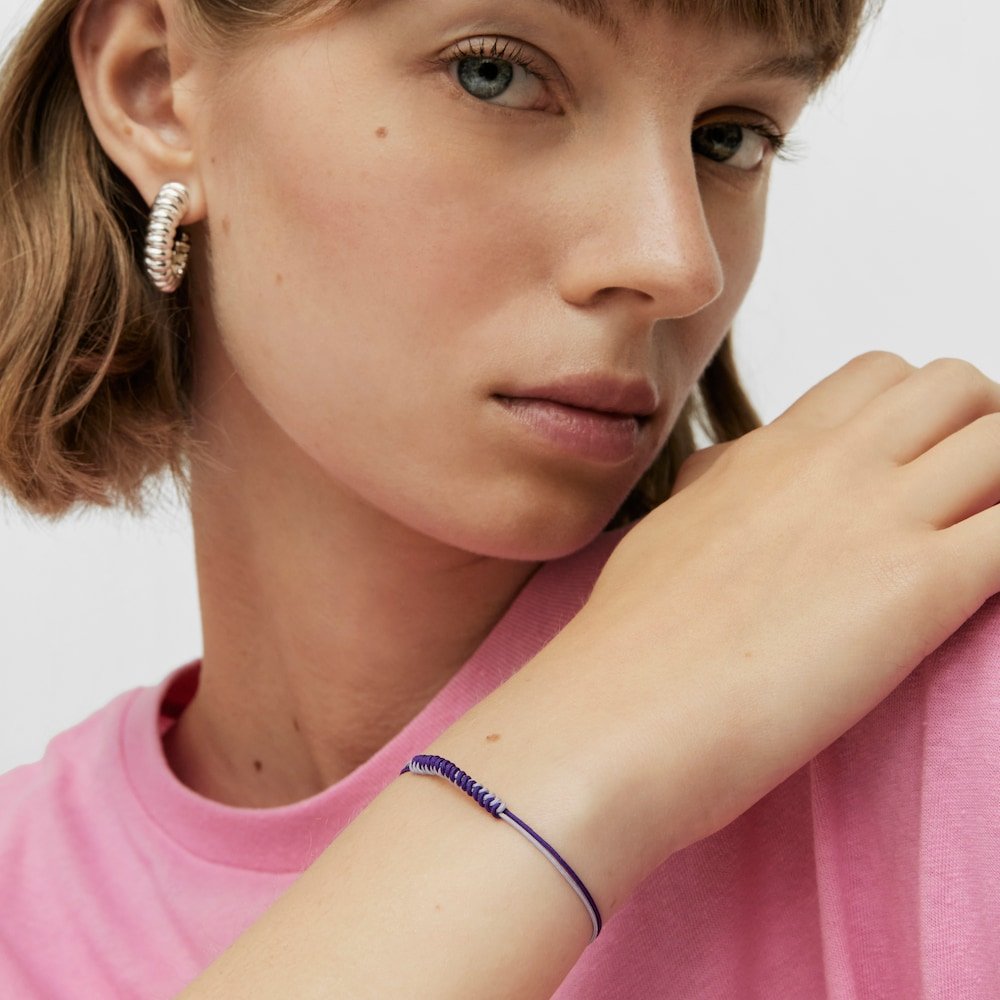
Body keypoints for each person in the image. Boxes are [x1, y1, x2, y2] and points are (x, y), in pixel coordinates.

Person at [0, 0, 997, 996]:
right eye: (497, 74)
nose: (675, 262)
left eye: (728, 137)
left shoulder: (953, 710)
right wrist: (580, 744)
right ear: (155, 87)